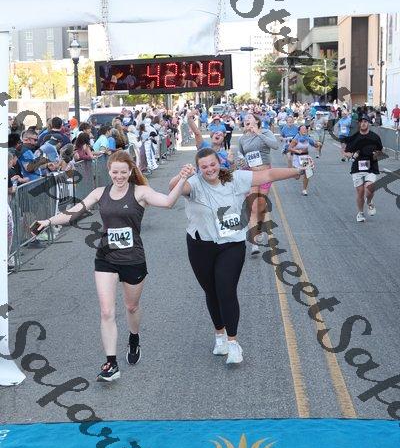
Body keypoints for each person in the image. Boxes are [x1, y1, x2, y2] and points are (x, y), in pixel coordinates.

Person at [33, 150, 193, 382]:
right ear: (108, 171)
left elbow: (168, 203)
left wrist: (183, 178)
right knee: (107, 311)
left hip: (133, 259)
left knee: (131, 307)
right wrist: (47, 221)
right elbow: (72, 214)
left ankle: (134, 338)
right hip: (106, 257)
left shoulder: (140, 192)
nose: (119, 176)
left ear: (130, 171)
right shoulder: (100, 192)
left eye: (123, 172)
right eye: (115, 172)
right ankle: (111, 363)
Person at [168, 147, 313, 364]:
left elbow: (268, 174)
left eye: (213, 164)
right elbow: (174, 188)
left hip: (231, 244)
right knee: (211, 291)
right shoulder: (194, 184)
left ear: (220, 163)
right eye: (204, 167)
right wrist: (181, 176)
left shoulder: (236, 178)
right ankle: (220, 336)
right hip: (200, 245)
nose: (209, 169)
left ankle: (233, 343)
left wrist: (298, 171)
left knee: (226, 290)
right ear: (198, 169)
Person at [238, 114, 279, 255]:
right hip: (251, 174)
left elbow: (275, 145)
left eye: (249, 117)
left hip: (265, 173)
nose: (247, 119)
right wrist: (241, 160)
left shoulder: (265, 132)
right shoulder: (242, 138)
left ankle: (259, 229)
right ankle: (254, 242)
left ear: (256, 121)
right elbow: (241, 154)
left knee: (261, 206)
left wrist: (258, 133)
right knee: (253, 207)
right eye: (245, 118)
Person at [343, 115, 383, 222]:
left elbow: (380, 151)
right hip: (357, 167)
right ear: (359, 123)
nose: (363, 123)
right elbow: (345, 152)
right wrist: (352, 155)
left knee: (369, 188)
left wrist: (376, 154)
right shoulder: (354, 138)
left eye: (365, 121)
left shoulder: (375, 137)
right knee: (360, 192)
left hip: (371, 166)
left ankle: (369, 201)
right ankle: (360, 213)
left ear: (368, 123)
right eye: (361, 121)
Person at [288, 125, 316, 196]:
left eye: (305, 129)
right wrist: (296, 151)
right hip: (297, 157)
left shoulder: (308, 138)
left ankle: (304, 190)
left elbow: (314, 145)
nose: (304, 130)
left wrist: (318, 144)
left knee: (308, 173)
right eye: (302, 129)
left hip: (305, 157)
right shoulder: (296, 139)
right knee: (297, 177)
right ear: (299, 131)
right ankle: (298, 172)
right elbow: (289, 148)